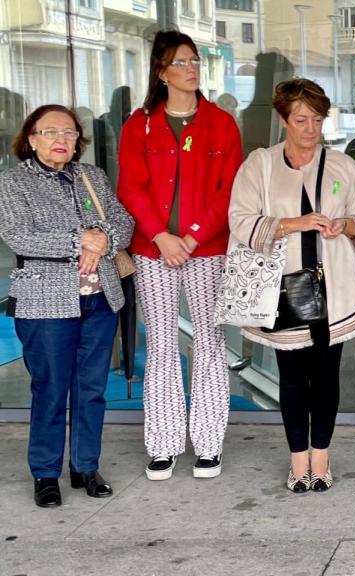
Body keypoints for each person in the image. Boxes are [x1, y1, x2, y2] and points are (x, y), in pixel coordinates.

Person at [229, 79, 355, 493]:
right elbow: (240, 220)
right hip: (282, 290)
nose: (310, 128)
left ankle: (322, 458)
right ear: (282, 119)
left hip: (335, 287)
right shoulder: (261, 165)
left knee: (327, 375)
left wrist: (342, 225)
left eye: (317, 119)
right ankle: (298, 462)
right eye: (300, 119)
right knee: (292, 376)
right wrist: (294, 224)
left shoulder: (342, 166)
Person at [117, 30, 243, 481]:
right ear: (161, 71)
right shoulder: (139, 124)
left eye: (195, 61)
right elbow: (131, 186)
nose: (192, 69)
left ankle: (208, 445)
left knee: (210, 344)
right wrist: (160, 235)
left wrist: (190, 236)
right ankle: (164, 444)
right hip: (153, 251)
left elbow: (229, 189)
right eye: (182, 62)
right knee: (163, 346)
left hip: (206, 248)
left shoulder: (221, 124)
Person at [0, 105, 134, 507]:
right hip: (45, 302)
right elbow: (18, 236)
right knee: (51, 389)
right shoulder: (13, 182)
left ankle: (85, 466)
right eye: (51, 132)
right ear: (31, 138)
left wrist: (103, 239)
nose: (62, 139)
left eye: (70, 133)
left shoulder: (91, 176)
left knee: (92, 389)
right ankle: (45, 473)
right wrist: (82, 242)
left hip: (99, 299)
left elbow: (123, 221)